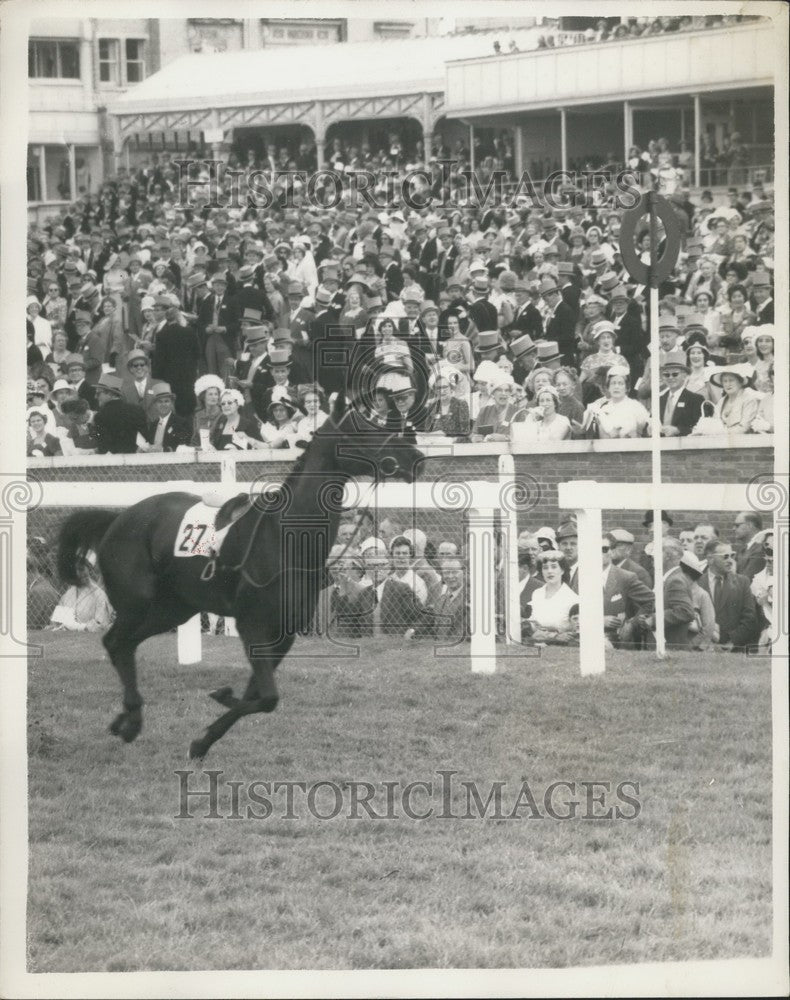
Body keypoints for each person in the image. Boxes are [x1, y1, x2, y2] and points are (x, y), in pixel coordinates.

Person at [699, 539, 760, 652]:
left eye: (732, 555)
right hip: (703, 649)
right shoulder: (696, 583)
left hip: (732, 650)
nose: (731, 560)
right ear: (710, 559)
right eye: (725, 556)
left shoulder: (742, 583)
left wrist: (731, 642)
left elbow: (750, 618)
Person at [601, 533, 655, 648]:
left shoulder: (625, 577)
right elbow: (574, 607)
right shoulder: (582, 576)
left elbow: (651, 600)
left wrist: (632, 623)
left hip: (617, 642)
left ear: (612, 551)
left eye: (604, 549)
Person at [578, 370, 649, 439]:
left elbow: (615, 435)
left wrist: (599, 413)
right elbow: (587, 430)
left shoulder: (635, 406)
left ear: (627, 388)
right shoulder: (602, 407)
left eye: (620, 383)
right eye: (613, 383)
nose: (616, 387)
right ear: (608, 388)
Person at [49, 556, 112, 633]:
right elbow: (56, 622)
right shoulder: (68, 594)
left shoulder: (99, 595)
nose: (78, 574)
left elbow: (101, 626)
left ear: (89, 570)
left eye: (81, 569)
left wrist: (79, 627)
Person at [527, 550, 578, 644]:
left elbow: (575, 632)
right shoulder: (537, 593)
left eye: (554, 567)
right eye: (545, 568)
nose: (549, 571)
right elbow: (533, 623)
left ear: (562, 570)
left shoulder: (572, 598)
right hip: (536, 645)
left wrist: (552, 636)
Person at [91, 373, 147, 454]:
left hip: (113, 462)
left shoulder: (101, 416)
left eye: (98, 393)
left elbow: (103, 447)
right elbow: (145, 440)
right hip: (136, 459)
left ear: (110, 394)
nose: (95, 397)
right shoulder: (137, 410)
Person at [657, 352, 704, 437]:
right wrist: (649, 428)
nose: (671, 377)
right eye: (666, 375)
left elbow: (701, 429)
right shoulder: (659, 400)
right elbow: (648, 426)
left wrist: (678, 430)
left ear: (684, 376)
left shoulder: (696, 399)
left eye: (675, 374)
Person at [708, 363, 760, 433]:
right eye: (725, 381)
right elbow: (715, 423)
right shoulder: (721, 401)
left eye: (731, 380)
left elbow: (744, 427)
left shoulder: (749, 400)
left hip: (744, 441)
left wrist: (721, 432)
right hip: (721, 439)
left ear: (740, 382)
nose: (728, 384)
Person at [140, 383, 192, 453]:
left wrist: (163, 450)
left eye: (166, 401)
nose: (163, 405)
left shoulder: (181, 423)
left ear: (171, 403)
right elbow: (149, 446)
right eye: (160, 402)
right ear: (155, 405)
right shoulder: (153, 425)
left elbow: (184, 447)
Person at [191, 374, 225, 448]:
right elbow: (195, 440)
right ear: (203, 397)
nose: (214, 397)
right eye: (210, 394)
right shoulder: (198, 415)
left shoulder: (223, 415)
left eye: (216, 394)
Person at [732, 511, 766, 581]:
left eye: (737, 525)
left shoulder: (761, 550)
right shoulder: (744, 549)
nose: (733, 529)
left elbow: (745, 582)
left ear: (749, 525)